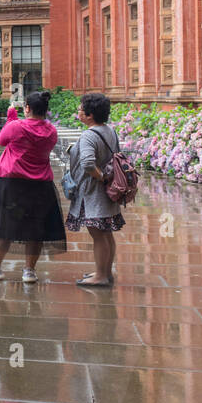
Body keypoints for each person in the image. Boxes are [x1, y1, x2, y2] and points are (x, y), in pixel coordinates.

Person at [0, 89, 66, 282]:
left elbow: (2, 140)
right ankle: (29, 271)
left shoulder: (16, 126)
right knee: (36, 228)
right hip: (41, 185)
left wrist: (11, 117)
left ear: (27, 108)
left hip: (13, 183)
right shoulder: (51, 131)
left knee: (4, 225)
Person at [65, 92, 124, 287]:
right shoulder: (109, 130)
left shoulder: (89, 135)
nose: (78, 112)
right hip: (108, 192)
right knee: (106, 233)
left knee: (98, 234)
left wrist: (102, 177)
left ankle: (100, 275)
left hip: (94, 192)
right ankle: (105, 272)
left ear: (90, 115)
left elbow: (88, 163)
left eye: (81, 109)